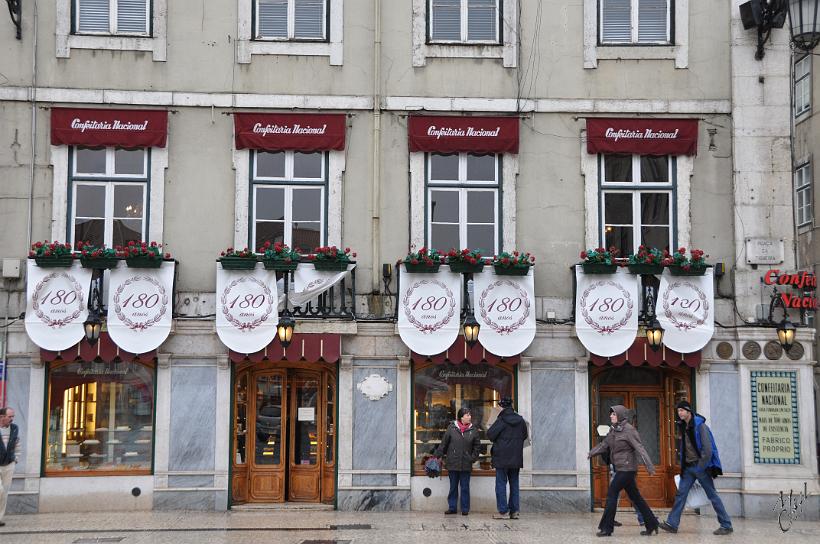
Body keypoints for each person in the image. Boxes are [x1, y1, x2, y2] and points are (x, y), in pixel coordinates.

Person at [660, 401, 733, 536]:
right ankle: (672, 524)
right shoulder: (683, 426)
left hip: (701, 468)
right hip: (688, 468)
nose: (679, 413)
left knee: (712, 495)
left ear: (688, 411)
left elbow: (708, 450)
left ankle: (726, 525)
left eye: (682, 410)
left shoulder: (701, 426)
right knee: (681, 495)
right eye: (678, 411)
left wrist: (700, 467)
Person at [588, 405, 659, 537]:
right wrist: (591, 453)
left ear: (620, 415)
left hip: (627, 469)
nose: (611, 416)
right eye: (611, 414)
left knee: (612, 493)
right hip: (620, 468)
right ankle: (652, 523)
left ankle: (607, 528)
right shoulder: (613, 430)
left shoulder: (629, 430)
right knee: (636, 497)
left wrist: (649, 466)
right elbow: (604, 445)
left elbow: (640, 448)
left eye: (613, 414)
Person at [433, 407, 481, 516]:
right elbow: (444, 443)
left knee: (465, 487)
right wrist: (436, 456)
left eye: (470, 414)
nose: (470, 417)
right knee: (453, 487)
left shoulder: (473, 430)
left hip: (466, 463)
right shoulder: (451, 428)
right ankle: (452, 507)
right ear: (461, 417)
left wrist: (472, 458)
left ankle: (465, 509)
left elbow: (477, 447)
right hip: (453, 462)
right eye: (467, 415)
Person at [487, 396, 528, 520]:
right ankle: (514, 511)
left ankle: (503, 512)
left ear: (501, 406)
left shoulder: (501, 420)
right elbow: (525, 435)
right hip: (516, 457)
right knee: (514, 484)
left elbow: (490, 434)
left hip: (501, 457)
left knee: (501, 484)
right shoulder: (520, 420)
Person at [0, 407, 20, 527]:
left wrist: (16, 458)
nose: (12, 419)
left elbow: (17, 444)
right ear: (2, 417)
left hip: (9, 464)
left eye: (13, 416)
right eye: (10, 416)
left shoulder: (14, 428)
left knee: (5, 493)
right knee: (0, 490)